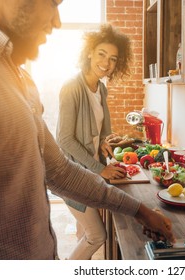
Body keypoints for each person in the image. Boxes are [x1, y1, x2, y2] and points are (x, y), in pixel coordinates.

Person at [0, 0, 174, 260]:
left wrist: (140, 210)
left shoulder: (19, 77)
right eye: (53, 2)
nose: (57, 21)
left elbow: (59, 170)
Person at [55, 24, 133, 260]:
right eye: (101, 54)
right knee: (97, 236)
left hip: (90, 171)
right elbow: (64, 139)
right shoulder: (71, 88)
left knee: (85, 230)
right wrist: (102, 168)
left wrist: (102, 143)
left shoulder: (101, 89)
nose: (106, 63)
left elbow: (97, 130)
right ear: (89, 52)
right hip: (73, 173)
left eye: (113, 58)